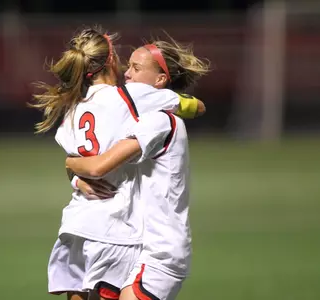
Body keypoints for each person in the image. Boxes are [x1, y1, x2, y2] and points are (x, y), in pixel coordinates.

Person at [30, 26, 204, 300]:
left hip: (78, 226)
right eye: (127, 64)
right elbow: (197, 106)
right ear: (110, 59)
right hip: (114, 230)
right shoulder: (131, 100)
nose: (127, 73)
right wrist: (178, 99)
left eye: (135, 67)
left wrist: (72, 168)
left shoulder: (75, 109)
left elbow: (90, 161)